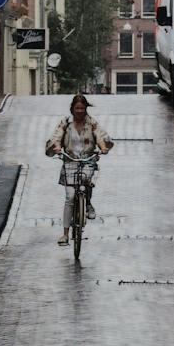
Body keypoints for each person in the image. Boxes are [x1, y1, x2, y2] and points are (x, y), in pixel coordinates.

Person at [45, 94, 113, 247]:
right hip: (70, 161)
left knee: (86, 181)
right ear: (72, 109)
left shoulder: (91, 123)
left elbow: (100, 136)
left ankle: (87, 203)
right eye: (77, 108)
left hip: (87, 160)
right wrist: (56, 146)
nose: (80, 111)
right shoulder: (65, 123)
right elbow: (56, 136)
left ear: (85, 109)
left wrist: (103, 147)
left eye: (82, 108)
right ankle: (65, 234)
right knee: (69, 197)